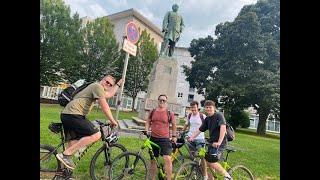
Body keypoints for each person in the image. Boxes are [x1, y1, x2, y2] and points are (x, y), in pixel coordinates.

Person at [56, 74, 123, 170]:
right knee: (96, 135)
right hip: (73, 114)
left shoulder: (97, 88)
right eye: (106, 81)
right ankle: (65, 155)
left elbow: (108, 94)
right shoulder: (97, 86)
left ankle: (63, 172)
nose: (107, 84)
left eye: (110, 84)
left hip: (68, 114)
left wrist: (118, 85)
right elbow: (104, 106)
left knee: (73, 144)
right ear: (102, 80)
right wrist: (113, 121)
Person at [188, 100, 233, 180]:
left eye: (210, 107)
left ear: (214, 108)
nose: (208, 109)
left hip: (221, 143)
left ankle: (227, 176)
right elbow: (200, 129)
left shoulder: (219, 115)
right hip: (212, 143)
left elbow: (223, 128)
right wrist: (192, 137)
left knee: (211, 162)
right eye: (207, 107)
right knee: (208, 162)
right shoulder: (207, 119)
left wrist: (219, 142)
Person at [145, 94, 177, 180]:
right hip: (153, 138)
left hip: (164, 139)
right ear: (158, 101)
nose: (162, 101)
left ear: (166, 102)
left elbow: (174, 124)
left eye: (164, 100)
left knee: (167, 159)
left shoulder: (169, 113)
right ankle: (152, 178)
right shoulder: (153, 111)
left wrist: (174, 136)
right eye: (160, 100)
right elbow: (148, 121)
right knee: (153, 160)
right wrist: (146, 130)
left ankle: (168, 178)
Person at [182, 101, 208, 180]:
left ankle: (205, 175)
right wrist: (182, 132)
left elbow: (208, 125)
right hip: (190, 139)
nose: (193, 110)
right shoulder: (189, 116)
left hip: (200, 139)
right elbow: (186, 125)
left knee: (202, 156)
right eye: (192, 108)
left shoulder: (202, 116)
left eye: (195, 108)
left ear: (198, 108)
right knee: (192, 156)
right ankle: (194, 171)